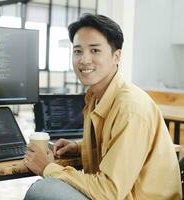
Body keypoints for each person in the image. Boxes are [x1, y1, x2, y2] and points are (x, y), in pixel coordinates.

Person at [23, 13, 181, 200]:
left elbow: (108, 192)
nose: (84, 60)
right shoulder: (95, 96)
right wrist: (80, 147)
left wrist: (47, 168)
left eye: (95, 50)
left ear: (116, 56)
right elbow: (117, 144)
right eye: (78, 51)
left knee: (42, 190)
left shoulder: (130, 108)